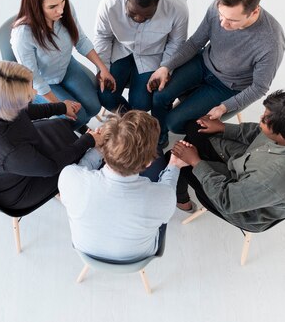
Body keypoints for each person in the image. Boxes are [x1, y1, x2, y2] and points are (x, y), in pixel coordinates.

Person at [150, 0, 285, 147]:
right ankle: (157, 138)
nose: (222, 23)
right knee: (159, 95)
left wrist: (225, 107)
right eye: (221, 15)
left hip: (228, 87)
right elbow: (194, 43)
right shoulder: (218, 7)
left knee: (174, 123)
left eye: (231, 20)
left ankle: (166, 128)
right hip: (203, 63)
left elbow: (259, 88)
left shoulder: (271, 42)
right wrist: (166, 67)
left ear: (254, 12)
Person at [170, 90, 285, 230]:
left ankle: (183, 201)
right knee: (194, 128)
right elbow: (259, 133)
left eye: (265, 120)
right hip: (249, 161)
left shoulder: (272, 181)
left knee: (175, 162)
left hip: (236, 204)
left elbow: (227, 201)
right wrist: (223, 128)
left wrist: (195, 162)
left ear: (282, 136)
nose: (260, 118)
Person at [0, 61, 98, 210]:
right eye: (28, 95)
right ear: (11, 106)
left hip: (1, 163)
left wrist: (60, 107)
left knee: (60, 127)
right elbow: (50, 168)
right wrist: (88, 140)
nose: (35, 93)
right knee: (77, 161)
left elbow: (23, 111)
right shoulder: (9, 150)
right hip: (17, 190)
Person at [58, 111, 188, 262]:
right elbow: (167, 192)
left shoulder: (70, 176)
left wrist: (97, 149)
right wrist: (174, 165)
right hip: (138, 255)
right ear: (147, 163)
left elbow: (80, 169)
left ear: (106, 149)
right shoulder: (163, 197)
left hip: (84, 248)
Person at [10, 0, 114, 131]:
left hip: (66, 66)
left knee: (94, 107)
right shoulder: (22, 35)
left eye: (63, 1)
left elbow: (81, 41)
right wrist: (59, 105)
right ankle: (76, 129)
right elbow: (35, 79)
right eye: (52, 7)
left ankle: (79, 123)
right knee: (76, 118)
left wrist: (103, 69)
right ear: (36, 6)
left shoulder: (66, 9)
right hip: (44, 82)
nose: (60, 10)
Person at [93, 0, 188, 115]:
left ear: (158, 2)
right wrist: (103, 68)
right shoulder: (109, 2)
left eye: (147, 16)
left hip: (152, 55)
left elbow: (176, 43)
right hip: (120, 50)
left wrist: (165, 68)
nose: (138, 18)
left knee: (141, 104)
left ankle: (133, 125)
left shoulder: (177, 9)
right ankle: (132, 124)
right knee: (105, 95)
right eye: (132, 13)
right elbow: (102, 36)